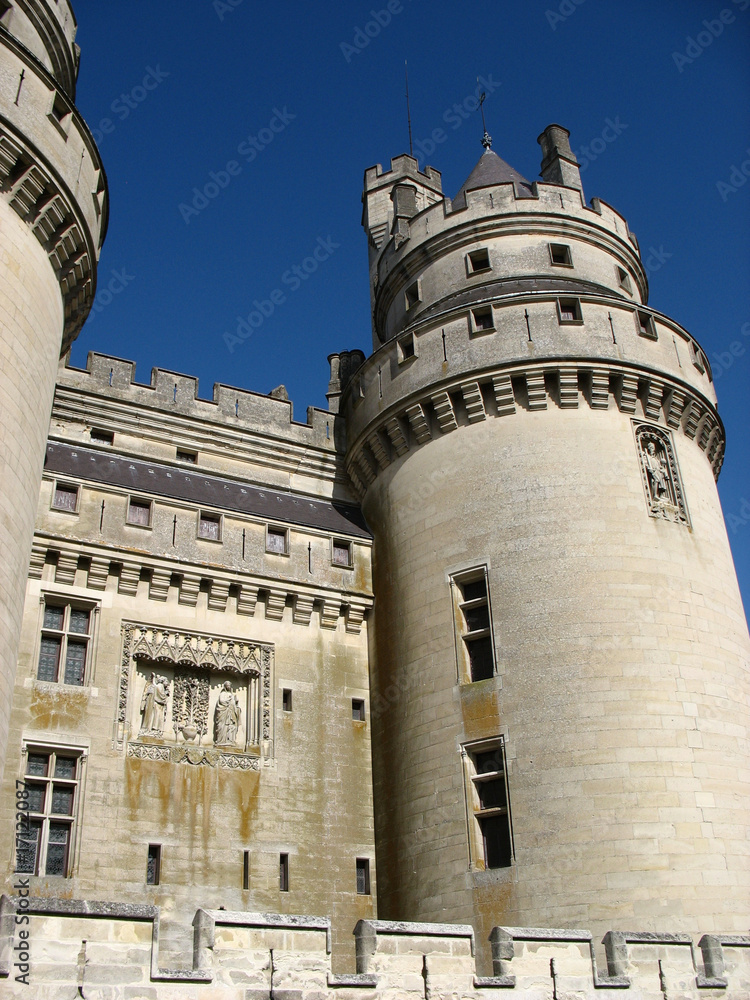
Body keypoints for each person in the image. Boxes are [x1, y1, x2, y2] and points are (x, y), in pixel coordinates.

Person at [214, 680, 242, 745]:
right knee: (221, 726)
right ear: (225, 686)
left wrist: (236, 703)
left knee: (232, 725)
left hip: (231, 712)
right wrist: (228, 700)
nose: (228, 687)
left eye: (229, 685)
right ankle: (220, 741)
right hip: (223, 712)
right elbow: (221, 701)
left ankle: (231, 740)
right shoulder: (222, 694)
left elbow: (234, 704)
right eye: (227, 686)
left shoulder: (232, 695)